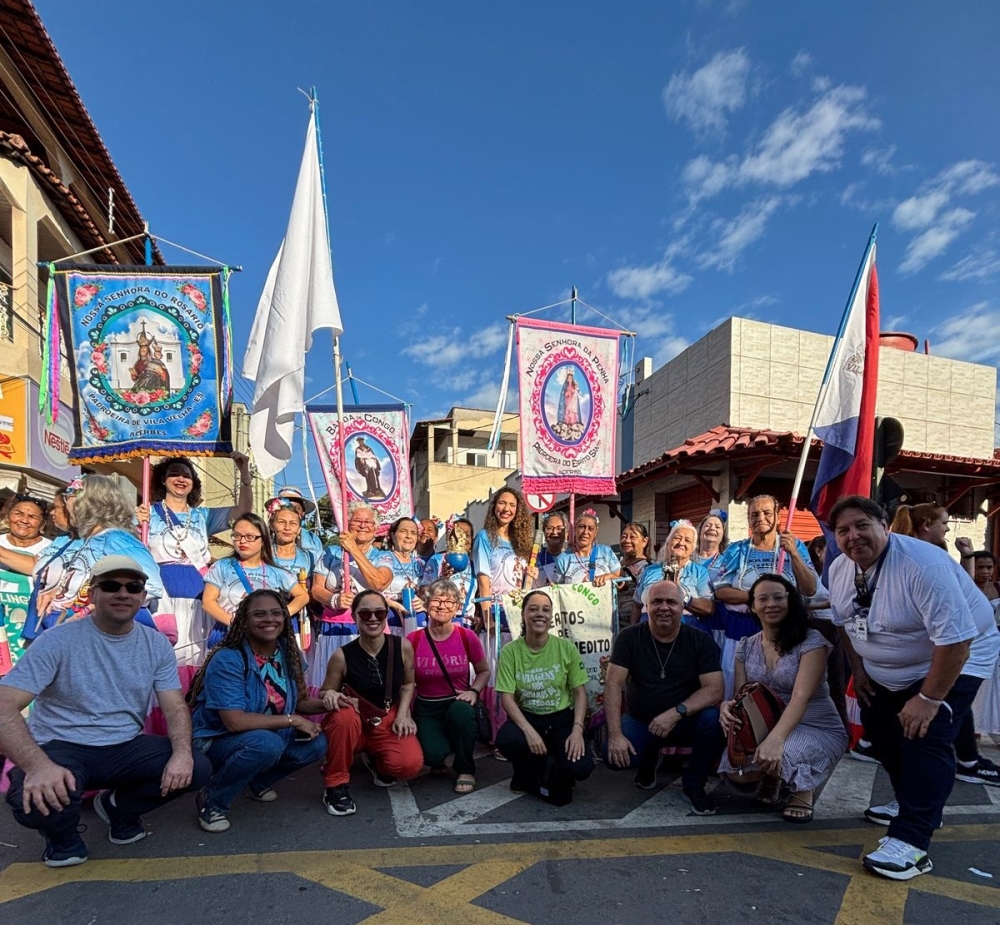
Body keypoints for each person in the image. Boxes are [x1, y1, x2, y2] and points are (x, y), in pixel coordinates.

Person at [827, 496, 1000, 880]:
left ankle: (913, 839)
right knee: (882, 734)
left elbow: (956, 641)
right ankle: (913, 801)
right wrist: (860, 669)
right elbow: (842, 620)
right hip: (887, 665)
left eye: (862, 525)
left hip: (960, 653)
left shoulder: (923, 565)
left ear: (885, 525)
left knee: (925, 735)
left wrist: (928, 699)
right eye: (843, 530)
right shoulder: (840, 568)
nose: (853, 536)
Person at [0, 555, 210, 867]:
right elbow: (4, 705)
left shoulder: (155, 644)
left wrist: (182, 753)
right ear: (92, 593)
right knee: (32, 801)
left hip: (123, 745)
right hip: (61, 746)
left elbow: (175, 707)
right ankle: (63, 839)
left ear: (142, 596)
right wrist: (37, 766)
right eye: (111, 586)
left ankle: (118, 809)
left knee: (198, 766)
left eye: (133, 587)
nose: (122, 593)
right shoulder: (57, 640)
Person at [188, 590, 328, 832]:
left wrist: (332, 703)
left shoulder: (288, 651)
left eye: (276, 613)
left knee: (317, 744)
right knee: (266, 745)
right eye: (259, 614)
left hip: (265, 734)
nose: (269, 619)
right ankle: (213, 800)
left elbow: (301, 702)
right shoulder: (229, 658)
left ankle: (257, 780)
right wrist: (292, 720)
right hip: (217, 739)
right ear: (244, 619)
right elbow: (234, 721)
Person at [718, 575, 848, 823]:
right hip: (767, 723)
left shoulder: (811, 641)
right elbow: (743, 694)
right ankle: (773, 776)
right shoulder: (745, 645)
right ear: (753, 606)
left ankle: (802, 791)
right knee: (737, 768)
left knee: (785, 751)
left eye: (779, 597)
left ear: (791, 601)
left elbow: (801, 696)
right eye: (763, 598)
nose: (771, 604)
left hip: (815, 725)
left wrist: (774, 740)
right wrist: (728, 706)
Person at [889, 504, 1000, 786]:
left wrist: (967, 556)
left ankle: (961, 764)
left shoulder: (932, 556)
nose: (948, 528)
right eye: (944, 523)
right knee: (944, 713)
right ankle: (961, 763)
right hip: (943, 645)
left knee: (946, 711)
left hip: (965, 645)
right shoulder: (918, 556)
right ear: (926, 524)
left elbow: (963, 593)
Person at [603, 579, 725, 815]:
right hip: (641, 720)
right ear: (647, 606)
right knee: (616, 759)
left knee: (713, 720)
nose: (664, 607)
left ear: (682, 607)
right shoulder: (628, 637)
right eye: (657, 601)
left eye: (671, 602)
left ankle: (694, 784)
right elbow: (613, 684)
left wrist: (675, 713)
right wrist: (616, 735)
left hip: (685, 719)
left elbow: (715, 690)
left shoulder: (700, 640)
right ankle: (648, 760)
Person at [136, 454, 252, 674]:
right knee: (163, 659)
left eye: (186, 475)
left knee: (196, 658)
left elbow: (243, 512)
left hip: (199, 596)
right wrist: (134, 523)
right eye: (174, 474)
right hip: (162, 597)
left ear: (193, 482)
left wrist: (244, 473)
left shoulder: (202, 515)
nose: (181, 479)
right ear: (163, 479)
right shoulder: (146, 513)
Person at [22, 475, 164, 644]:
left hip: (98, 639)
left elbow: (151, 585)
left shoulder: (115, 539)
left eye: (70, 499)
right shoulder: (88, 538)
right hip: (70, 633)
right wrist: (58, 592)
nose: (67, 507)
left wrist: (90, 610)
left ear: (89, 504)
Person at [318, 591, 423, 815]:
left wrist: (404, 714)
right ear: (355, 617)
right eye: (365, 614)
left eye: (379, 612)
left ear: (386, 615)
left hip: (386, 718)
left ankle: (376, 760)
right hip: (354, 723)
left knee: (409, 764)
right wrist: (330, 695)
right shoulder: (342, 656)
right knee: (342, 717)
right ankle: (335, 785)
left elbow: (408, 683)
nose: (373, 618)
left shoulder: (402, 646)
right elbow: (325, 690)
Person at [712, 495, 817, 697]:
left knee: (783, 688)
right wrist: (760, 599)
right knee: (740, 690)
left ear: (778, 517)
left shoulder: (795, 546)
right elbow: (720, 590)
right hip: (742, 630)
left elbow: (809, 589)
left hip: (786, 629)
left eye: (767, 513)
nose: (760, 517)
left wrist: (794, 553)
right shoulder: (737, 550)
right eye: (754, 514)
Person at [495, 590, 594, 798]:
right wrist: (529, 731)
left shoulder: (565, 648)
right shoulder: (510, 651)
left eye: (545, 610)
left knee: (581, 768)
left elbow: (579, 693)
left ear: (551, 617)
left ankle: (557, 764)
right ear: (523, 615)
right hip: (528, 716)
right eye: (533, 609)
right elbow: (507, 698)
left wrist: (577, 730)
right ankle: (525, 769)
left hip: (560, 719)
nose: (540, 614)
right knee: (508, 740)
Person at [408, 580, 490, 794]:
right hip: (427, 708)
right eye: (436, 600)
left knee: (462, 713)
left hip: (457, 703)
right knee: (433, 756)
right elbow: (405, 683)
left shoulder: (466, 636)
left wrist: (474, 691)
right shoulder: (413, 640)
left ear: (457, 608)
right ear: (426, 605)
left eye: (449, 602)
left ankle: (465, 769)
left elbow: (484, 671)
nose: (442, 606)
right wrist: (403, 714)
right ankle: (442, 749)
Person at [308, 502, 392, 694]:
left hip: (369, 627)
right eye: (357, 520)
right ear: (347, 524)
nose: (362, 525)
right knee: (331, 686)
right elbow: (317, 589)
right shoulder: (330, 553)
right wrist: (333, 599)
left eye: (368, 522)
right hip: (334, 627)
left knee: (366, 685)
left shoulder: (383, 557)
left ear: (375, 528)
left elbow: (379, 583)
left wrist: (353, 550)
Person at [202, 513, 308, 649]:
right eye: (237, 536)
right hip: (227, 637)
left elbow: (302, 596)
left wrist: (278, 615)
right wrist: (235, 623)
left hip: (264, 638)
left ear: (263, 539)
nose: (242, 541)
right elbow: (208, 602)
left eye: (250, 537)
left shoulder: (276, 572)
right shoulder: (221, 566)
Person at [632, 520, 712, 628]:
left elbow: (708, 608)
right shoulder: (650, 570)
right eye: (677, 538)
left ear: (693, 549)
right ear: (668, 542)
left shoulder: (699, 572)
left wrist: (682, 595)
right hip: (648, 624)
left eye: (688, 540)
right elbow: (637, 605)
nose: (681, 543)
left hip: (686, 626)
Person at [967, 551, 1000, 747]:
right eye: (980, 567)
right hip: (973, 644)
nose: (985, 571)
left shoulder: (997, 588)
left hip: (994, 643)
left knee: (994, 687)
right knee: (975, 686)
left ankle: (994, 727)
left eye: (989, 567)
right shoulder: (968, 588)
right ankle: (973, 727)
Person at [420, 518, 477, 628]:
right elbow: (423, 593)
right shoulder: (436, 560)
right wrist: (442, 579)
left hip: (466, 624)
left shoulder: (475, 566)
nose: (462, 538)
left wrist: (479, 616)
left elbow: (477, 597)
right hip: (441, 621)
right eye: (458, 533)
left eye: (466, 535)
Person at [376, 517, 427, 636]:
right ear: (393, 536)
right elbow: (368, 591)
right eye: (403, 531)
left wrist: (425, 605)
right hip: (389, 621)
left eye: (413, 533)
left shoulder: (422, 564)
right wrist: (394, 604)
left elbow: (431, 594)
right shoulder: (381, 558)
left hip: (418, 624)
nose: (409, 536)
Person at [552, 509, 621, 588]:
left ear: (596, 532)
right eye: (581, 527)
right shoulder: (563, 559)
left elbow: (622, 581)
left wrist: (609, 577)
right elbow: (559, 589)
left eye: (591, 528)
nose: (585, 532)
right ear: (575, 529)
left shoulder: (606, 552)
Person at [0, 494, 51, 592]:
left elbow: (37, 567)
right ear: (8, 516)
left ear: (42, 524)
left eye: (32, 517)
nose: (24, 520)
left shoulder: (52, 547)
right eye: (18, 514)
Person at [617, 522, 651, 634]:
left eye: (632, 537)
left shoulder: (648, 569)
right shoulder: (617, 565)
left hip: (634, 628)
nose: (627, 540)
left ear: (644, 541)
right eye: (624, 536)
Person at [273, 487, 323, 559]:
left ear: (303, 513)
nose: (291, 512)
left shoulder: (313, 540)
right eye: (286, 507)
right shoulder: (265, 537)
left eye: (296, 508)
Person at [694, 509, 729, 580]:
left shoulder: (728, 561)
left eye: (717, 527)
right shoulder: (687, 558)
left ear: (723, 535)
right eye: (708, 525)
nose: (712, 528)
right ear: (699, 532)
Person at [535, 512, 567, 586]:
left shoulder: (572, 559)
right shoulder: (535, 560)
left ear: (566, 532)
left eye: (559, 528)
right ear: (544, 532)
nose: (554, 532)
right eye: (549, 528)